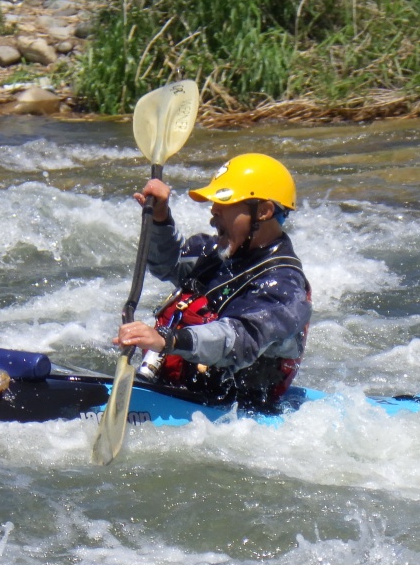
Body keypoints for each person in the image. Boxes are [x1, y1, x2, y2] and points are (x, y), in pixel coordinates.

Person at [114, 153, 311, 410]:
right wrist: (160, 219)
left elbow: (240, 338)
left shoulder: (283, 284)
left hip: (236, 411)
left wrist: (169, 340)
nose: (213, 211)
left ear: (264, 211)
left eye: (225, 203)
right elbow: (168, 266)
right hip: (183, 394)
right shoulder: (215, 253)